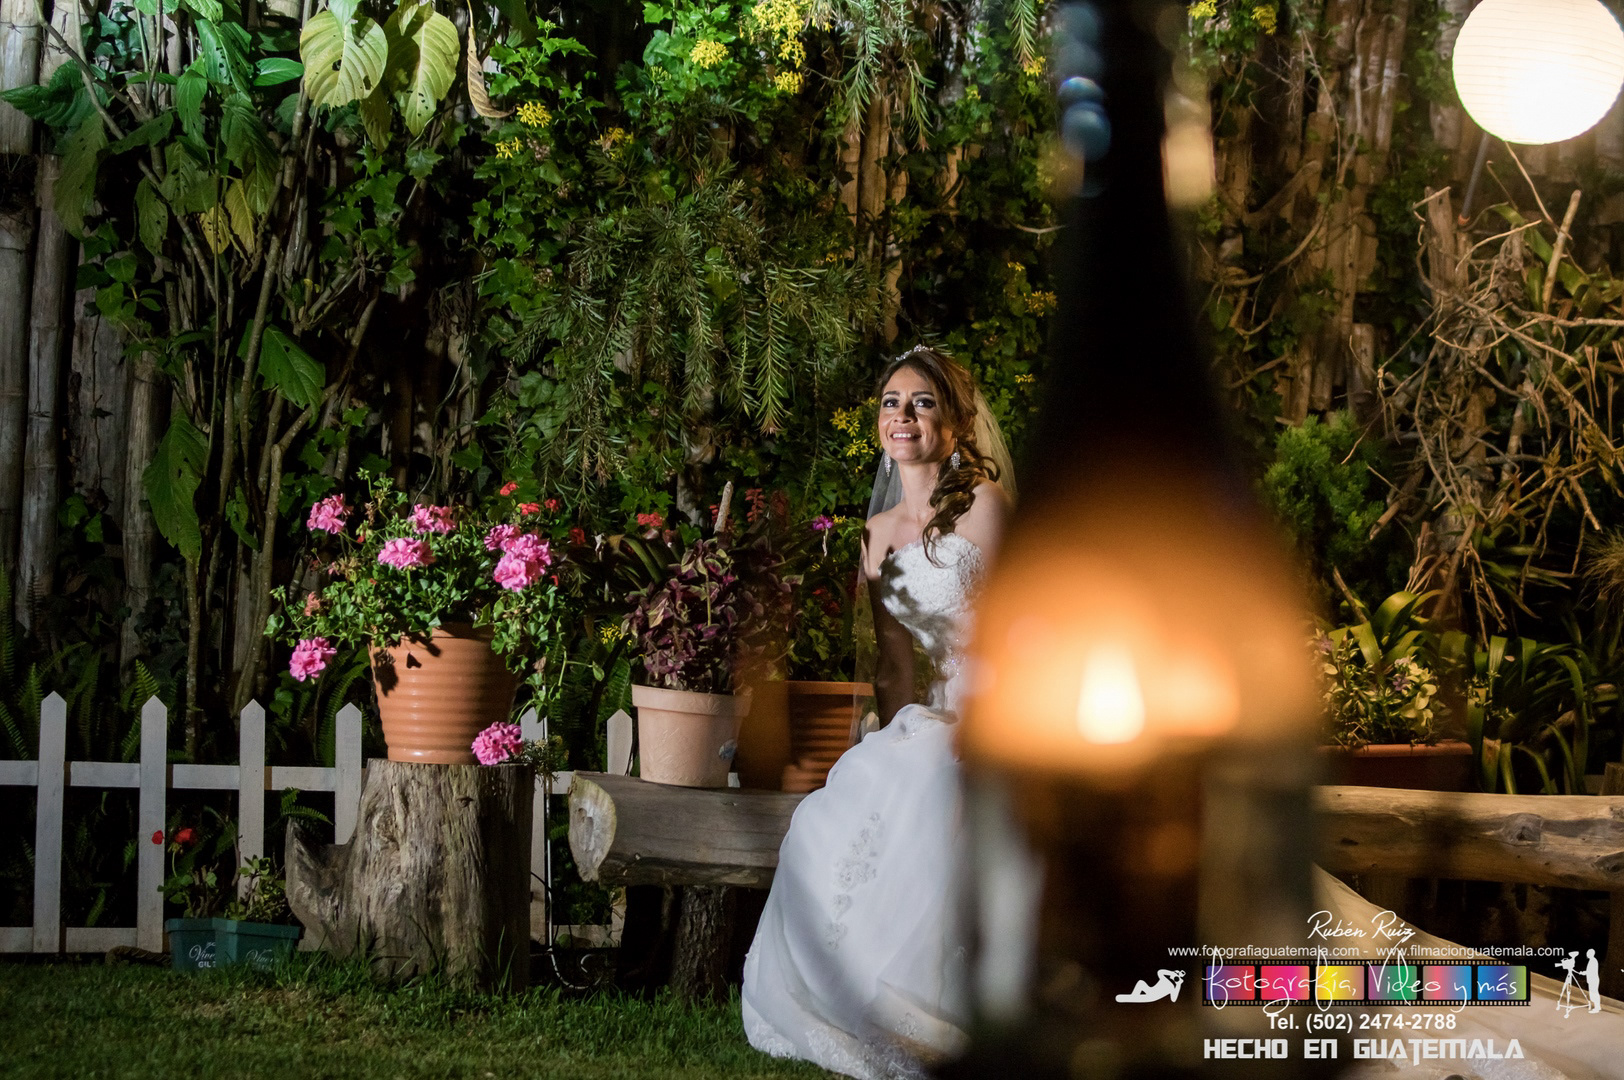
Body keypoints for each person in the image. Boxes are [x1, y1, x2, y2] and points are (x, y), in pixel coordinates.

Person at [742, 347, 1015, 1079]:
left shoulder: (985, 507)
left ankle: (946, 1010)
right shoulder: (878, 534)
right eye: (892, 403)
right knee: (845, 801)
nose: (904, 416)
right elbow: (895, 664)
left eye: (922, 403)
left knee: (939, 791)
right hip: (936, 715)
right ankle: (847, 999)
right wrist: (895, 735)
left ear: (955, 424)